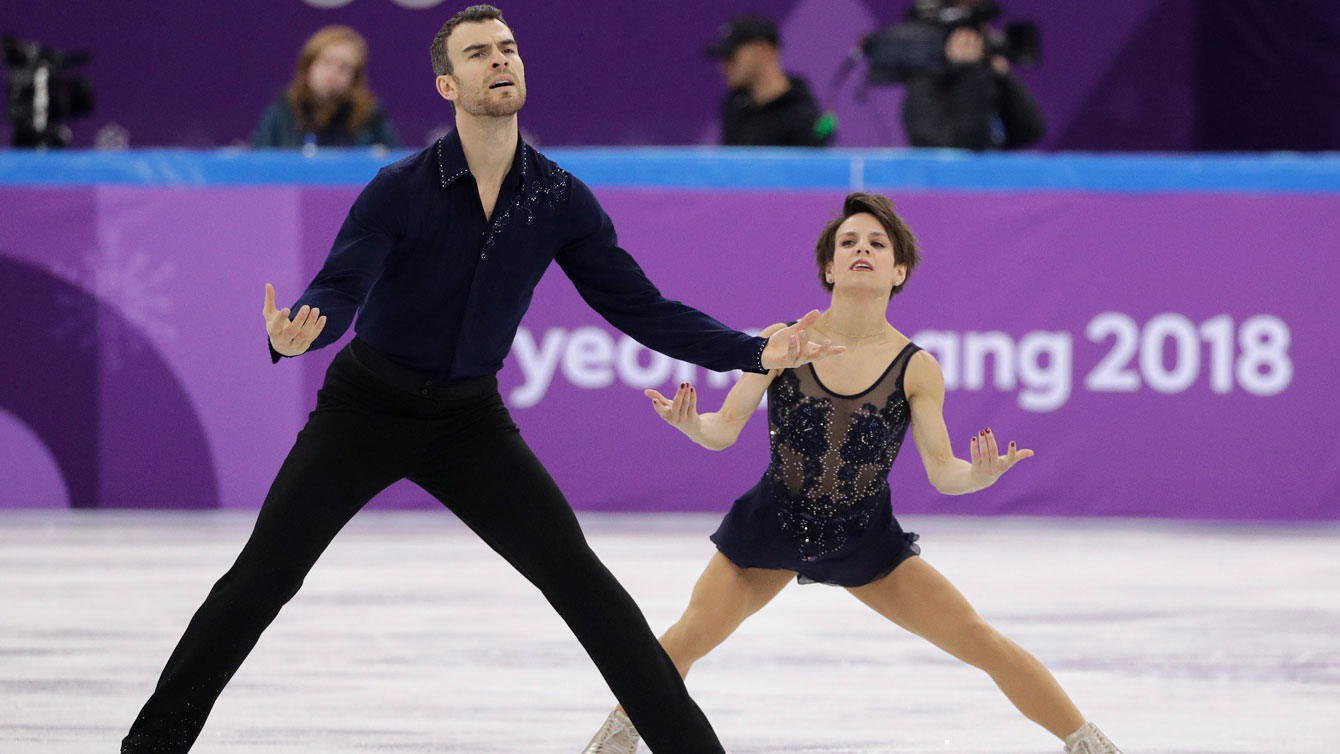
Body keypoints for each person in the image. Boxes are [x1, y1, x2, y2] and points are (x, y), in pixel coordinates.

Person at [121, 6, 844, 754]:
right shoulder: (399, 189)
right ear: (447, 82)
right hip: (366, 408)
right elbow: (342, 286)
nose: (499, 60)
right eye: (478, 53)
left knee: (586, 587)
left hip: (469, 424)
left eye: (508, 48)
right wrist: (302, 328)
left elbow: (641, 308)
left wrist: (755, 352)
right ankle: (151, 744)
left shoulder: (557, 198)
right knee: (261, 579)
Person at [580, 193, 1123, 754]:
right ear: (828, 267)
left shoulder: (917, 367)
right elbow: (723, 430)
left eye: (877, 243)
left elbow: (943, 471)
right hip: (771, 524)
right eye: (848, 242)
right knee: (688, 637)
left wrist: (979, 476)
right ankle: (613, 743)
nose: (861, 248)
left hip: (864, 536)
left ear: (899, 269)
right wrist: (692, 425)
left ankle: (1090, 745)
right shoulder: (785, 341)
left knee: (978, 640)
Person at [902, 2, 1045, 150]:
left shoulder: (986, 77)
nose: (985, 31)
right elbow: (967, 146)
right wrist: (967, 71)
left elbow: (1031, 130)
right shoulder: (925, 83)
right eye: (970, 26)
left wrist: (1003, 77)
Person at [253, 25, 401, 149]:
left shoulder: (370, 116)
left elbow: (397, 171)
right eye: (327, 62)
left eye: (344, 67)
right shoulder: (283, 111)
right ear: (308, 65)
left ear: (355, 78)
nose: (333, 73)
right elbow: (259, 167)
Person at [706, 15, 835, 147]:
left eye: (730, 56)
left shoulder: (805, 118)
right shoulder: (732, 107)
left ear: (763, 50)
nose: (723, 66)